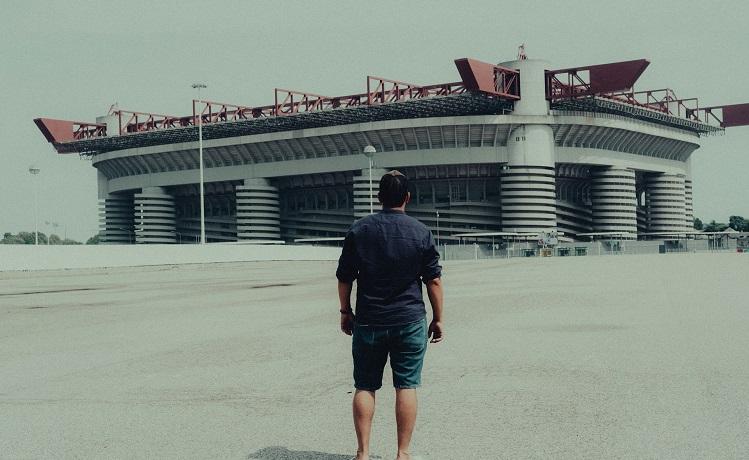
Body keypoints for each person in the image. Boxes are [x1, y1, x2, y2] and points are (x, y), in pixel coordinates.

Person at [336, 170, 444, 460]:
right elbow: (433, 280)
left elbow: (344, 277)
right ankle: (403, 453)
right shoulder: (420, 232)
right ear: (408, 197)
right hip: (409, 321)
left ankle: (363, 453)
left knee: (365, 385)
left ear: (379, 197)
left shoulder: (360, 230)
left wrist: (345, 312)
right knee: (406, 386)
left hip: (369, 320)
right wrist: (438, 318)